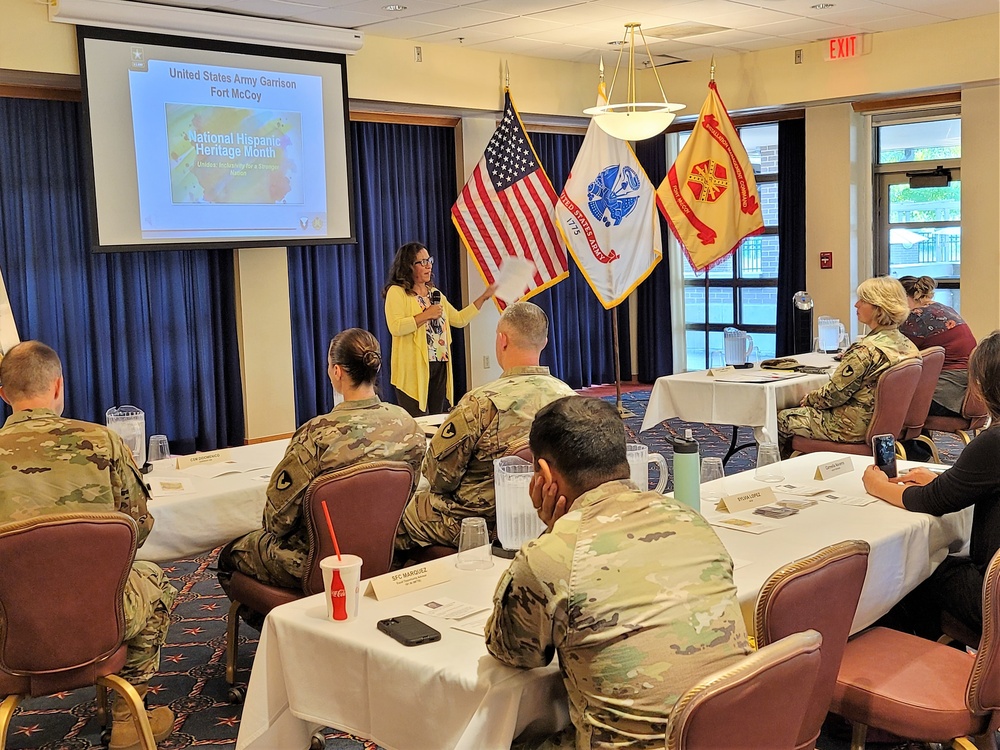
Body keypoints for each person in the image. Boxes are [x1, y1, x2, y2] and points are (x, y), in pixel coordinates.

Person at [484, 396, 751, 749]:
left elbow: (512, 651)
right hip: (735, 733)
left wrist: (554, 533)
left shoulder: (550, 556)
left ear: (544, 475)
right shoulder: (689, 519)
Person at [0, 341, 177, 750]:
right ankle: (127, 718)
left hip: (9, 629)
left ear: (4, 394)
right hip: (98, 617)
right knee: (151, 579)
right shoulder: (104, 442)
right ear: (59, 386)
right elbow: (137, 528)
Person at [219, 328, 425, 591]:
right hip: (386, 552)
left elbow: (276, 521)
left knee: (229, 556)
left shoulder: (316, 434)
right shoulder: (407, 425)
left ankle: (285, 629)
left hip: (316, 562)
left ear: (337, 371)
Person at [395, 301, 575, 551]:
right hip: (544, 517)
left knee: (395, 514)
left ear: (502, 340)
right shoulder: (569, 400)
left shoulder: (480, 402)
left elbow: (439, 478)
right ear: (544, 343)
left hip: (477, 523)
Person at [862, 329, 1000, 641]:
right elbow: (977, 485)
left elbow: (929, 502)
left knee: (911, 573)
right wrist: (941, 480)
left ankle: (913, 663)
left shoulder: (993, 443)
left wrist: (877, 485)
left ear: (983, 385)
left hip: (992, 594)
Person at [777, 276, 918, 458]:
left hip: (850, 428)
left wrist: (809, 398)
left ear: (878, 307)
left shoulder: (865, 350)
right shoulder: (908, 345)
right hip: (886, 425)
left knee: (781, 418)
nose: (856, 305)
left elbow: (833, 395)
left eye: (863, 300)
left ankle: (780, 477)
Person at [383, 241, 496, 417]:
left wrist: (483, 298)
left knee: (437, 417)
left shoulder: (434, 293)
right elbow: (396, 327)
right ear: (408, 266)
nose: (428, 266)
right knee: (417, 420)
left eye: (429, 260)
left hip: (439, 362)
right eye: (422, 262)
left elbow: (458, 319)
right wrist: (427, 314)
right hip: (413, 367)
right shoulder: (397, 292)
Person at [899, 275, 976, 418]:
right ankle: (918, 440)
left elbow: (897, 354)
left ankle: (909, 440)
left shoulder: (916, 317)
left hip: (947, 395)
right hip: (967, 390)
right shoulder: (944, 310)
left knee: (890, 402)